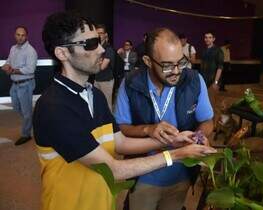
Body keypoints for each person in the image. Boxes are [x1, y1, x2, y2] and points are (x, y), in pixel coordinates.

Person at [34, 12, 216, 210]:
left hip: (102, 202)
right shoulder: (54, 108)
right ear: (62, 53)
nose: (102, 49)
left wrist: (174, 140)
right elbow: (113, 170)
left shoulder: (94, 95)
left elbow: (120, 142)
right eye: (90, 44)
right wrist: (177, 154)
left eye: (100, 41)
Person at [115, 28, 214, 210]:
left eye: (181, 63)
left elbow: (207, 121)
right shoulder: (130, 84)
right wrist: (148, 129)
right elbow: (122, 127)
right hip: (144, 175)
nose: (176, 71)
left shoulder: (194, 81)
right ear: (147, 61)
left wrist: (198, 136)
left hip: (182, 175)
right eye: (167, 66)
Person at [1, 26, 37, 145]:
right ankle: (31, 120)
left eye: (23, 35)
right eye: (18, 34)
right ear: (15, 35)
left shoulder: (30, 51)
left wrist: (13, 71)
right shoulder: (13, 48)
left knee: (26, 112)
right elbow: (9, 61)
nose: (20, 37)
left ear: (26, 36)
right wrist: (6, 66)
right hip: (15, 84)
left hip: (26, 84)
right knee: (16, 108)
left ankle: (26, 134)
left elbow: (30, 69)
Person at [94, 24, 115, 111]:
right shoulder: (95, 48)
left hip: (106, 81)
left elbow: (102, 67)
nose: (99, 35)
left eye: (101, 33)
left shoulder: (108, 49)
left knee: (107, 106)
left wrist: (93, 63)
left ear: (105, 34)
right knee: (97, 104)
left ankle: (108, 124)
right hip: (96, 79)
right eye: (97, 33)